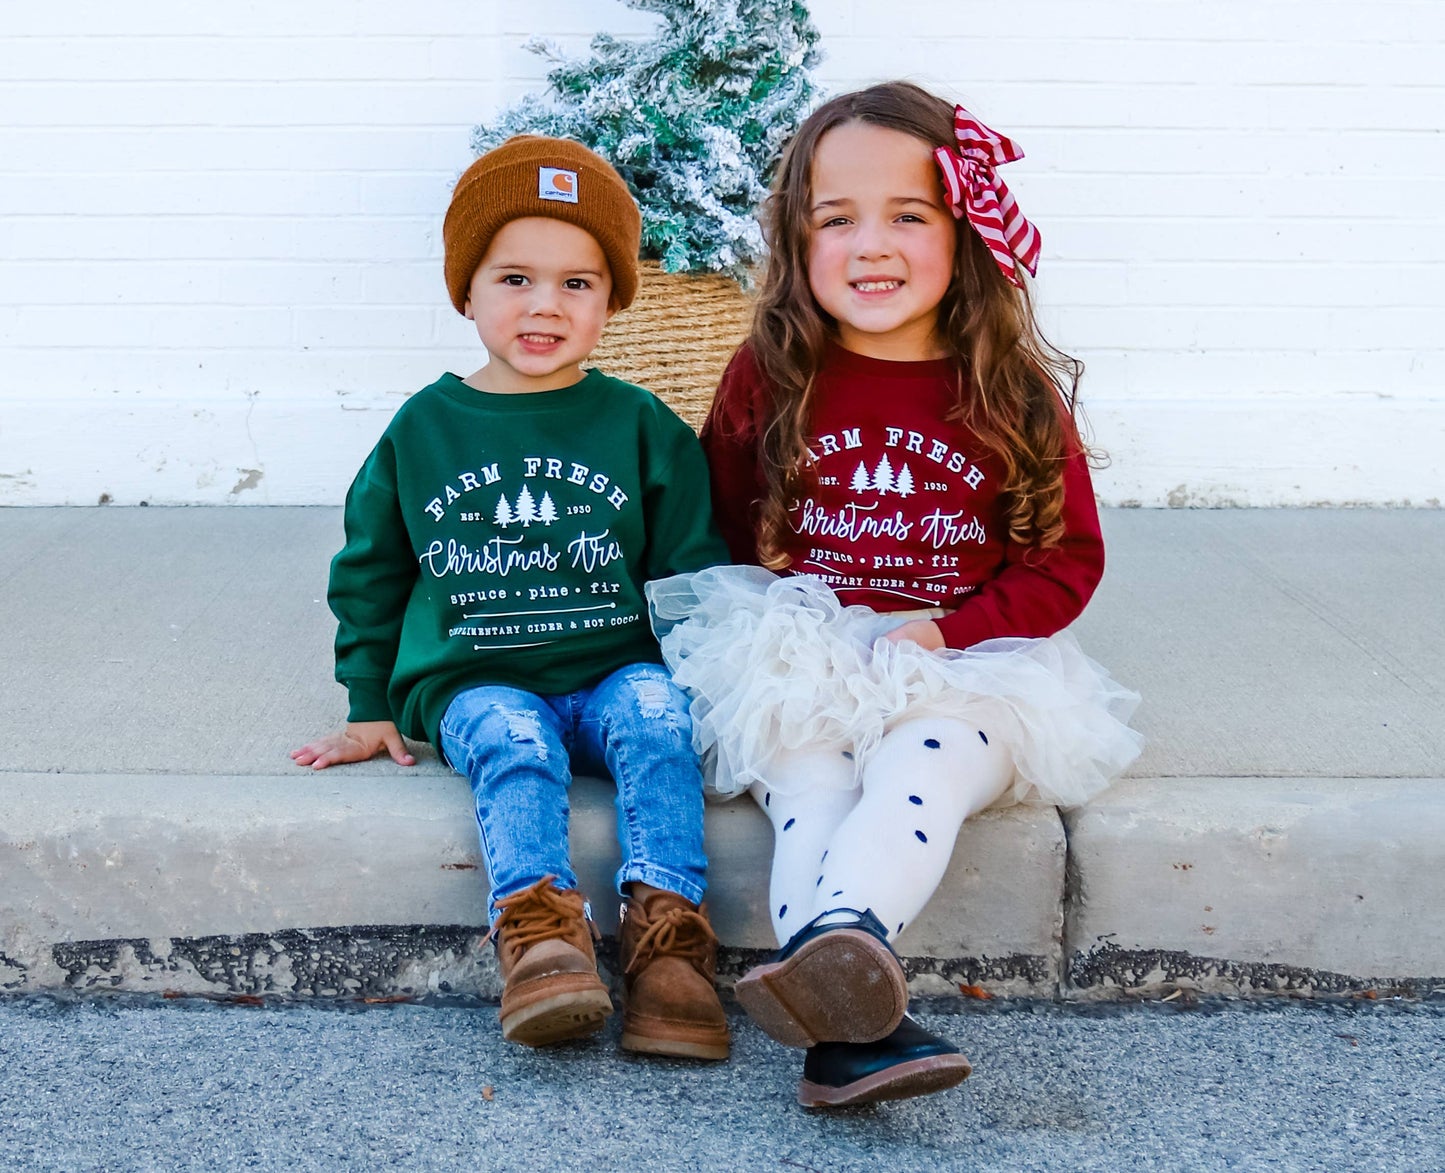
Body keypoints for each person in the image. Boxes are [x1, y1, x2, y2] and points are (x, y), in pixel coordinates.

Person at [647, 82, 1143, 1107]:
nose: (870, 245)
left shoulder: (1005, 388)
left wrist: (949, 629)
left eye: (907, 214)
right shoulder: (770, 372)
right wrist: (768, 613)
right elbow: (719, 531)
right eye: (835, 219)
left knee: (926, 764)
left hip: (961, 662)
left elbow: (1064, 560)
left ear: (962, 231)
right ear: (796, 239)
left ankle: (839, 962)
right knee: (811, 790)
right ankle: (850, 1010)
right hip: (799, 654)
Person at [292, 135, 731, 1062]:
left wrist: (716, 690)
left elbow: (690, 571)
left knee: (658, 720)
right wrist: (370, 704)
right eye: (515, 278)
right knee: (514, 743)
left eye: (578, 282)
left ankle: (668, 943)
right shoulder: (425, 427)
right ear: (468, 292)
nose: (545, 304)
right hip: (477, 677)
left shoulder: (640, 425)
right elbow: (372, 570)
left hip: (615, 670)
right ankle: (541, 941)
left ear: (611, 300)